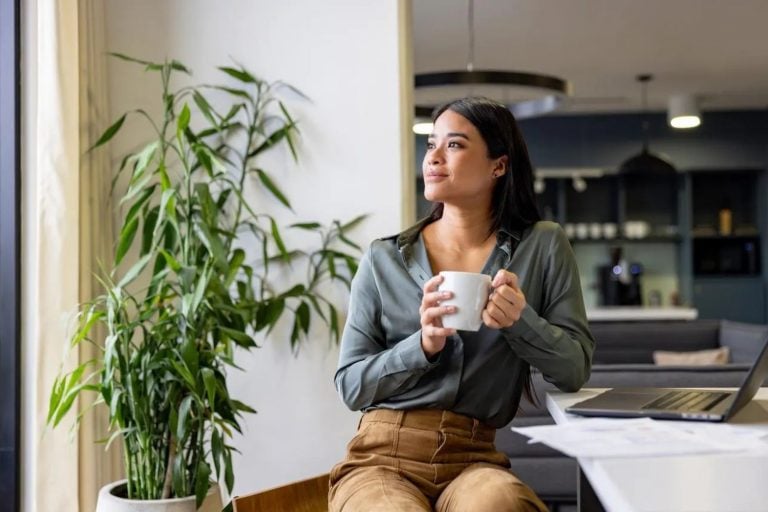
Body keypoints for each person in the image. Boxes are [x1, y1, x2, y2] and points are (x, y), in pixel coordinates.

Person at [328, 97, 595, 512]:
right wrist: (423, 346)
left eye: (453, 145)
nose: (432, 157)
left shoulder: (543, 245)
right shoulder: (383, 259)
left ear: (498, 166)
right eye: (431, 143)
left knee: (496, 503)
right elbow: (351, 385)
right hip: (380, 458)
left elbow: (574, 369)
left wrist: (520, 321)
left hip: (474, 459)